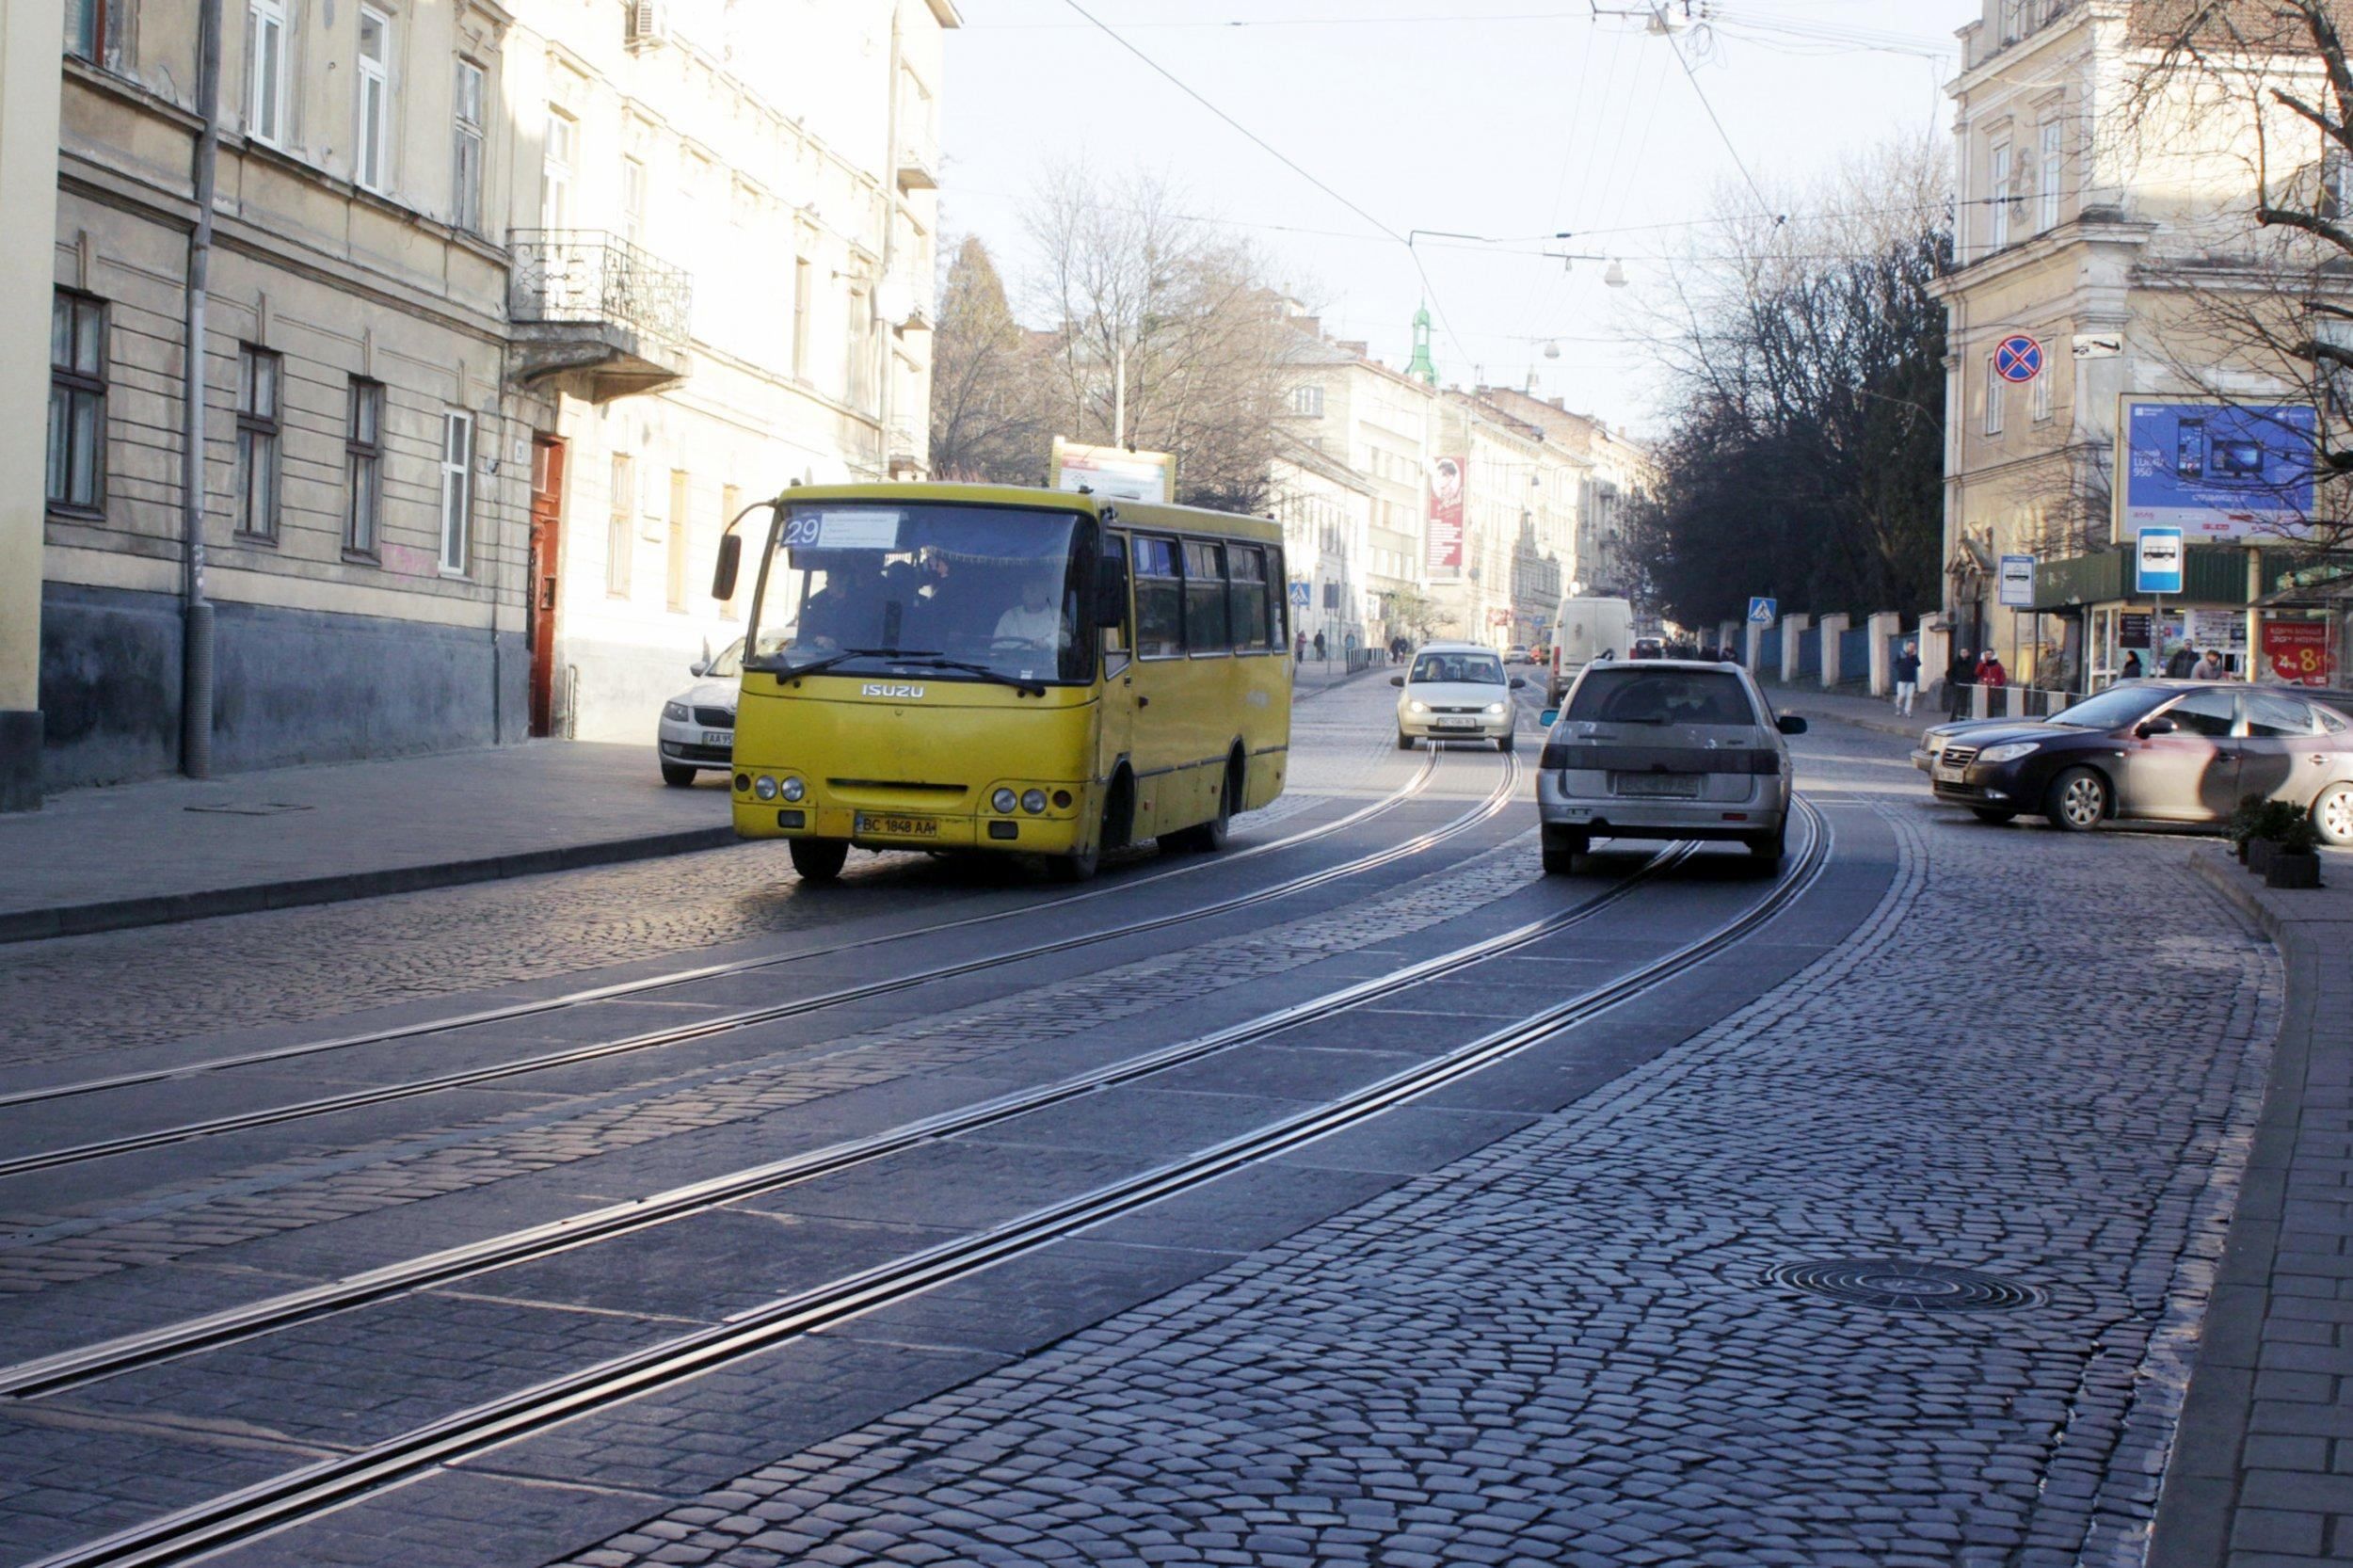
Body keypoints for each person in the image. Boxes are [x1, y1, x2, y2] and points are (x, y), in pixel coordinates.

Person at [992, 574, 1064, 649]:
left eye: (1037, 587)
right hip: (1013, 660)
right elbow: (997, 647)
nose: (1032, 591)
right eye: (1028, 587)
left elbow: (1065, 640)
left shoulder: (1056, 616)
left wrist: (1048, 643)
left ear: (1046, 591)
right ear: (1022, 592)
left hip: (1047, 660)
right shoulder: (1010, 617)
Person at [1945, 647, 1976, 720]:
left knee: (1964, 703)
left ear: (1968, 653)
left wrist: (1972, 682)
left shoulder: (1971, 663)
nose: (1963, 654)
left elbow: (1974, 674)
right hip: (1957, 685)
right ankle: (1953, 718)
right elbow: (1949, 673)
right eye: (1962, 652)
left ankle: (1962, 717)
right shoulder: (1956, 662)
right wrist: (1953, 681)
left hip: (1966, 685)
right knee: (1956, 702)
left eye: (1965, 652)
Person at [1893, 640, 1921, 716]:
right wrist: (1900, 669)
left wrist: (1914, 656)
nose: (1911, 648)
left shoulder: (1914, 656)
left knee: (1910, 696)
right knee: (1901, 695)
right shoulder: (1901, 654)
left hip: (1911, 679)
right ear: (1907, 646)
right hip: (1902, 679)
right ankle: (1898, 708)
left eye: (1913, 647)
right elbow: (1895, 663)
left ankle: (1908, 711)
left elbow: (1918, 664)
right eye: (1910, 646)